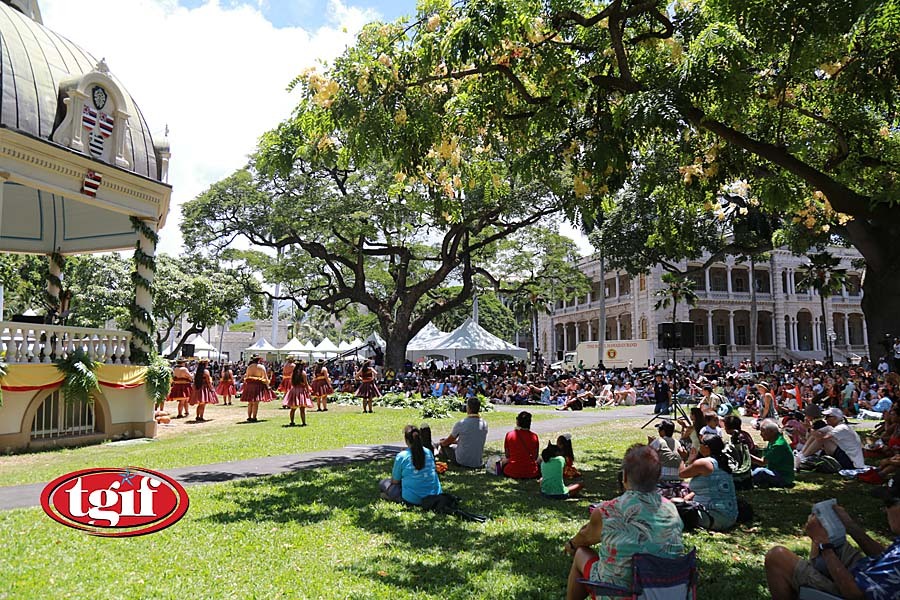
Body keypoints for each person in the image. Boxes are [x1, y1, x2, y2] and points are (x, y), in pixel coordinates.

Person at [564, 445, 684, 600]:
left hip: (620, 594)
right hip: (666, 592)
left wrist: (572, 544)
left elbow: (585, 537)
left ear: (624, 476)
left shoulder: (607, 511)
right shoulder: (672, 510)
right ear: (658, 476)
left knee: (581, 553)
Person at [765, 479, 900, 600]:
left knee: (777, 556)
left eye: (889, 503)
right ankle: (812, 577)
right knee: (829, 535)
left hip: (854, 587)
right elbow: (884, 556)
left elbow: (855, 594)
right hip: (867, 573)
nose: (885, 510)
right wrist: (851, 526)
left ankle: (806, 582)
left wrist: (824, 545)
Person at [678, 434, 738, 531]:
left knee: (673, 504)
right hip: (730, 517)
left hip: (713, 518)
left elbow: (681, 474)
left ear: (706, 447)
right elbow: (710, 486)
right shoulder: (722, 462)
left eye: (700, 443)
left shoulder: (704, 463)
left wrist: (682, 458)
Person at [378, 425, 442, 505]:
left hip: (413, 499)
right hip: (435, 495)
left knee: (383, 483)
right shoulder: (428, 452)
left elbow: (395, 481)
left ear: (406, 440)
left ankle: (391, 497)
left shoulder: (402, 456)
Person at [801, 407, 866, 469]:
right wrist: (810, 429)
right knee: (818, 434)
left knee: (822, 439)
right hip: (847, 456)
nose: (825, 419)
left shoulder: (841, 428)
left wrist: (809, 429)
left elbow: (821, 439)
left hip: (851, 462)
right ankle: (802, 454)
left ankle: (803, 457)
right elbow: (814, 435)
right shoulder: (835, 427)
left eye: (827, 417)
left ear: (835, 418)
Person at [437, 397, 488, 468]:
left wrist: (441, 443)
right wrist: (454, 442)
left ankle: (439, 452)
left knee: (444, 446)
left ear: (468, 408)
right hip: (477, 461)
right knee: (451, 445)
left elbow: (447, 442)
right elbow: (471, 439)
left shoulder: (461, 423)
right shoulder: (484, 424)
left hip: (462, 461)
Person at [751, 419, 795, 488]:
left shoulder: (778, 445)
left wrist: (748, 455)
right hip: (773, 470)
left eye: (763, 431)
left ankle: (745, 479)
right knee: (755, 468)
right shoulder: (773, 440)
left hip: (783, 477)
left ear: (772, 432)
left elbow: (763, 462)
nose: (760, 434)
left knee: (761, 471)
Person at [501, 411, 540, 479]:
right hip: (531, 472)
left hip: (511, 471)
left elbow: (507, 455)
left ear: (517, 422)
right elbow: (535, 457)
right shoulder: (534, 436)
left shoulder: (509, 434)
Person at [240, 355, 272, 422]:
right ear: (259, 360)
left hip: (250, 385)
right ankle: (254, 417)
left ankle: (249, 417)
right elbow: (265, 377)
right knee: (256, 403)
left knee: (250, 402)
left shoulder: (249, 367)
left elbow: (247, 376)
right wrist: (267, 385)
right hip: (258, 385)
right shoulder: (261, 367)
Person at [283, 360, 312, 427]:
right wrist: (308, 391)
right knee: (302, 408)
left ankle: (292, 422)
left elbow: (292, 383)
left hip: (294, 390)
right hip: (301, 390)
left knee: (293, 408)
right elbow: (306, 383)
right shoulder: (303, 373)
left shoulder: (293, 373)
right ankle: (303, 422)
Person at [189, 358, 218, 422]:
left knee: (200, 404)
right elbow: (208, 381)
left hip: (198, 388)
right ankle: (201, 417)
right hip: (204, 388)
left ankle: (197, 416)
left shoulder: (198, 371)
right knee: (203, 404)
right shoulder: (206, 371)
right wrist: (211, 388)